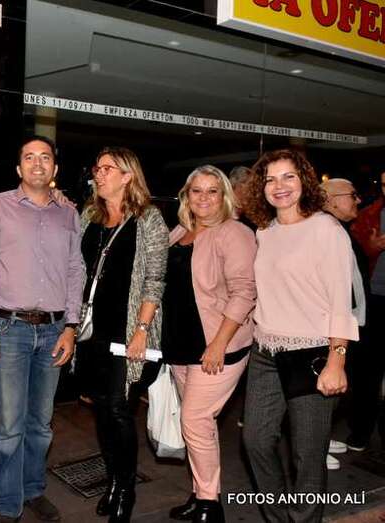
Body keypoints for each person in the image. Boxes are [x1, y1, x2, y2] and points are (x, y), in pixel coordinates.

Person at [0, 135, 85, 523]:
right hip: (9, 330)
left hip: (54, 331)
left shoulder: (68, 213)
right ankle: (8, 503)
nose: (37, 163)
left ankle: (33, 489)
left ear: (55, 168)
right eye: (29, 158)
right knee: (8, 426)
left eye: (45, 157)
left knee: (41, 424)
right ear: (19, 168)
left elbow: (75, 271)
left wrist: (71, 326)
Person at [242, 149, 358, 523]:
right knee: (255, 440)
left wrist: (337, 360)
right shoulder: (264, 231)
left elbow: (341, 300)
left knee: (307, 455)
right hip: (265, 350)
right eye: (270, 179)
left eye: (288, 176)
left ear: (304, 181)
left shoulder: (327, 229)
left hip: (312, 353)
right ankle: (279, 518)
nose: (279, 186)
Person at [76, 147, 168, 523]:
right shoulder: (89, 215)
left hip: (129, 330)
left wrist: (142, 330)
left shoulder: (149, 218)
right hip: (91, 330)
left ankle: (126, 489)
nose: (98, 174)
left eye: (107, 169)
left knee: (118, 409)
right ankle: (113, 482)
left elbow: (155, 279)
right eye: (96, 168)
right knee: (101, 409)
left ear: (128, 175)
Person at [163, 166, 256, 522]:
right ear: (186, 196)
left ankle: (209, 506)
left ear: (224, 196)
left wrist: (219, 343)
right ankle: (202, 493)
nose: (204, 198)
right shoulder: (180, 231)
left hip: (216, 346)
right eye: (196, 190)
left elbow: (244, 291)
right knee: (199, 426)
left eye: (212, 191)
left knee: (195, 419)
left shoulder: (235, 233)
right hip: (181, 344)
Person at [321, 178, 374, 465]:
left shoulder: (340, 229)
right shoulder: (326, 231)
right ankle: (313, 448)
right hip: (331, 327)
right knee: (327, 382)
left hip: (346, 322)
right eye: (352, 195)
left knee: (335, 386)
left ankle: (320, 436)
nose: (358, 200)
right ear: (331, 200)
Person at [349, 170, 385, 451]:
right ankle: (361, 432)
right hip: (374, 300)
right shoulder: (369, 214)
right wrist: (371, 249)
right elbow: (353, 256)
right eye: (384, 184)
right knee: (367, 372)